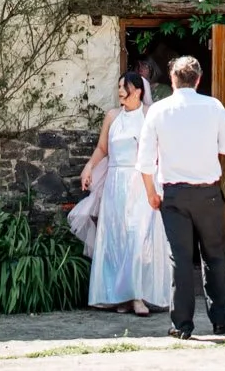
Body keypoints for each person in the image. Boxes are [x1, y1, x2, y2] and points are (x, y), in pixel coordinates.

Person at [138, 55, 225, 340]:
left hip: (173, 194)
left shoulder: (158, 111)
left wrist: (151, 194)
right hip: (207, 192)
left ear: (172, 79)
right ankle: (219, 320)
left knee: (180, 260)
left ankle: (182, 324)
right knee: (214, 257)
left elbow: (145, 160)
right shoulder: (214, 107)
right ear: (198, 79)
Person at [83, 72, 173, 315]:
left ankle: (138, 296)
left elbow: (161, 148)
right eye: (119, 86)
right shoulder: (112, 116)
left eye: (125, 86)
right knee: (117, 238)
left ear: (138, 90)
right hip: (115, 183)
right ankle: (120, 296)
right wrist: (89, 166)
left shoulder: (148, 115)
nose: (120, 90)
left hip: (141, 182)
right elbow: (103, 148)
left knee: (138, 236)